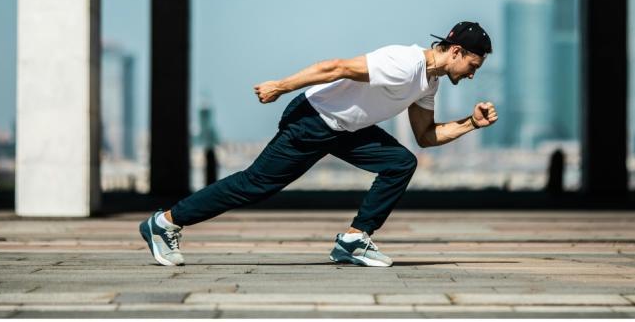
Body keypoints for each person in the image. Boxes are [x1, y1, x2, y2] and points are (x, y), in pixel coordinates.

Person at [139, 21, 498, 268]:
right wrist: (281, 86)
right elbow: (336, 67)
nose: (472, 73)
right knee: (255, 185)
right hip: (313, 120)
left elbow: (426, 136)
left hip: (347, 130)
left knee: (400, 162)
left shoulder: (428, 82)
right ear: (455, 50)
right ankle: (166, 222)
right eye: (473, 64)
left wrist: (470, 123)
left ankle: (354, 240)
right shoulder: (404, 64)